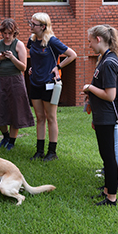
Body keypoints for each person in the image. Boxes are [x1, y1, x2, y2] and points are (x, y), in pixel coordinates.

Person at [81, 25, 118, 206]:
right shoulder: (105, 59)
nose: (89, 45)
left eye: (90, 41)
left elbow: (110, 95)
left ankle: (111, 198)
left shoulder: (109, 63)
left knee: (109, 157)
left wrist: (89, 88)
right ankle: (107, 189)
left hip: (109, 118)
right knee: (105, 155)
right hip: (101, 117)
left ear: (98, 39)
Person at [27, 12, 77, 161]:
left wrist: (58, 67)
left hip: (49, 84)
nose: (30, 26)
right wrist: (33, 68)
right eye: (30, 23)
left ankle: (52, 152)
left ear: (43, 26)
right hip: (35, 83)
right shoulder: (32, 40)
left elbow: (72, 55)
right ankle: (39, 151)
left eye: (33, 24)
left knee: (51, 117)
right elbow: (35, 58)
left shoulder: (52, 41)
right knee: (40, 117)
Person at [0, 18, 35, 150]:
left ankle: (12, 141)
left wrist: (12, 57)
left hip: (16, 81)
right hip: (0, 80)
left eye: (9, 33)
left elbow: (23, 67)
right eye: (4, 33)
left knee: (16, 110)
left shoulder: (19, 45)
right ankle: (5, 135)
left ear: (14, 32)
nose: (7, 36)